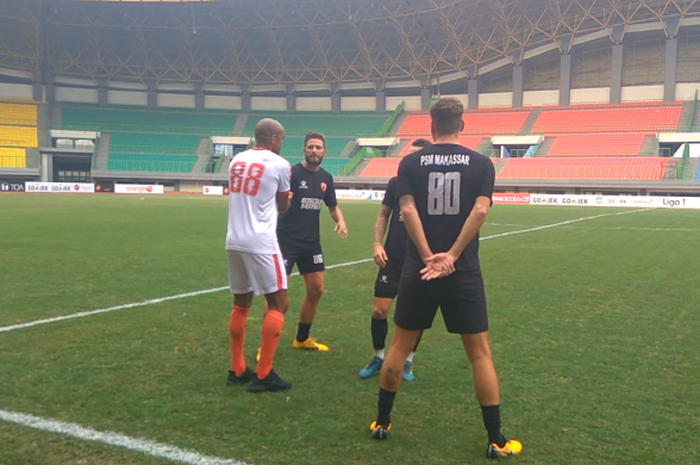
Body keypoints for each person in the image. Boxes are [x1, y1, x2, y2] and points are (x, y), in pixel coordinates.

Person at [368, 98, 522, 459]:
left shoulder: (409, 162)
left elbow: (405, 210)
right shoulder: (482, 163)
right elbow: (481, 210)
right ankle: (496, 439)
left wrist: (426, 257)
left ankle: (381, 422)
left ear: (431, 125)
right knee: (479, 354)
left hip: (417, 270)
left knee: (399, 347)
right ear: (462, 125)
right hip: (462, 270)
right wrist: (450, 256)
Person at [224, 118, 293, 393]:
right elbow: (283, 205)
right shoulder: (280, 164)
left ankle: (237, 368)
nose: (281, 144)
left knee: (241, 303)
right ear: (274, 139)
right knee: (279, 302)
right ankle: (264, 374)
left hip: (233, 239)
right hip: (262, 241)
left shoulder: (235, 160)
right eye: (281, 139)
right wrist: (286, 199)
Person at [358, 138, 432, 382]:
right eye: (407, 156)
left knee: (416, 315)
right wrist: (377, 243)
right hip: (393, 256)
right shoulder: (396, 184)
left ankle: (408, 362)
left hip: (422, 260)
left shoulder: (434, 187)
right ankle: (378, 356)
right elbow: (383, 215)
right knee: (380, 310)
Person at [276, 131, 348, 351]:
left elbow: (332, 207)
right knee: (278, 297)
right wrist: (283, 201)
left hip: (311, 244)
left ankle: (301, 339)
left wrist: (341, 221)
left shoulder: (326, 178)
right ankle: (266, 345)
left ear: (324, 151)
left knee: (316, 289)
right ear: (304, 150)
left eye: (318, 147)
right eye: (311, 147)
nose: (314, 151)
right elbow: (278, 205)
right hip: (286, 242)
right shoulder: (291, 173)